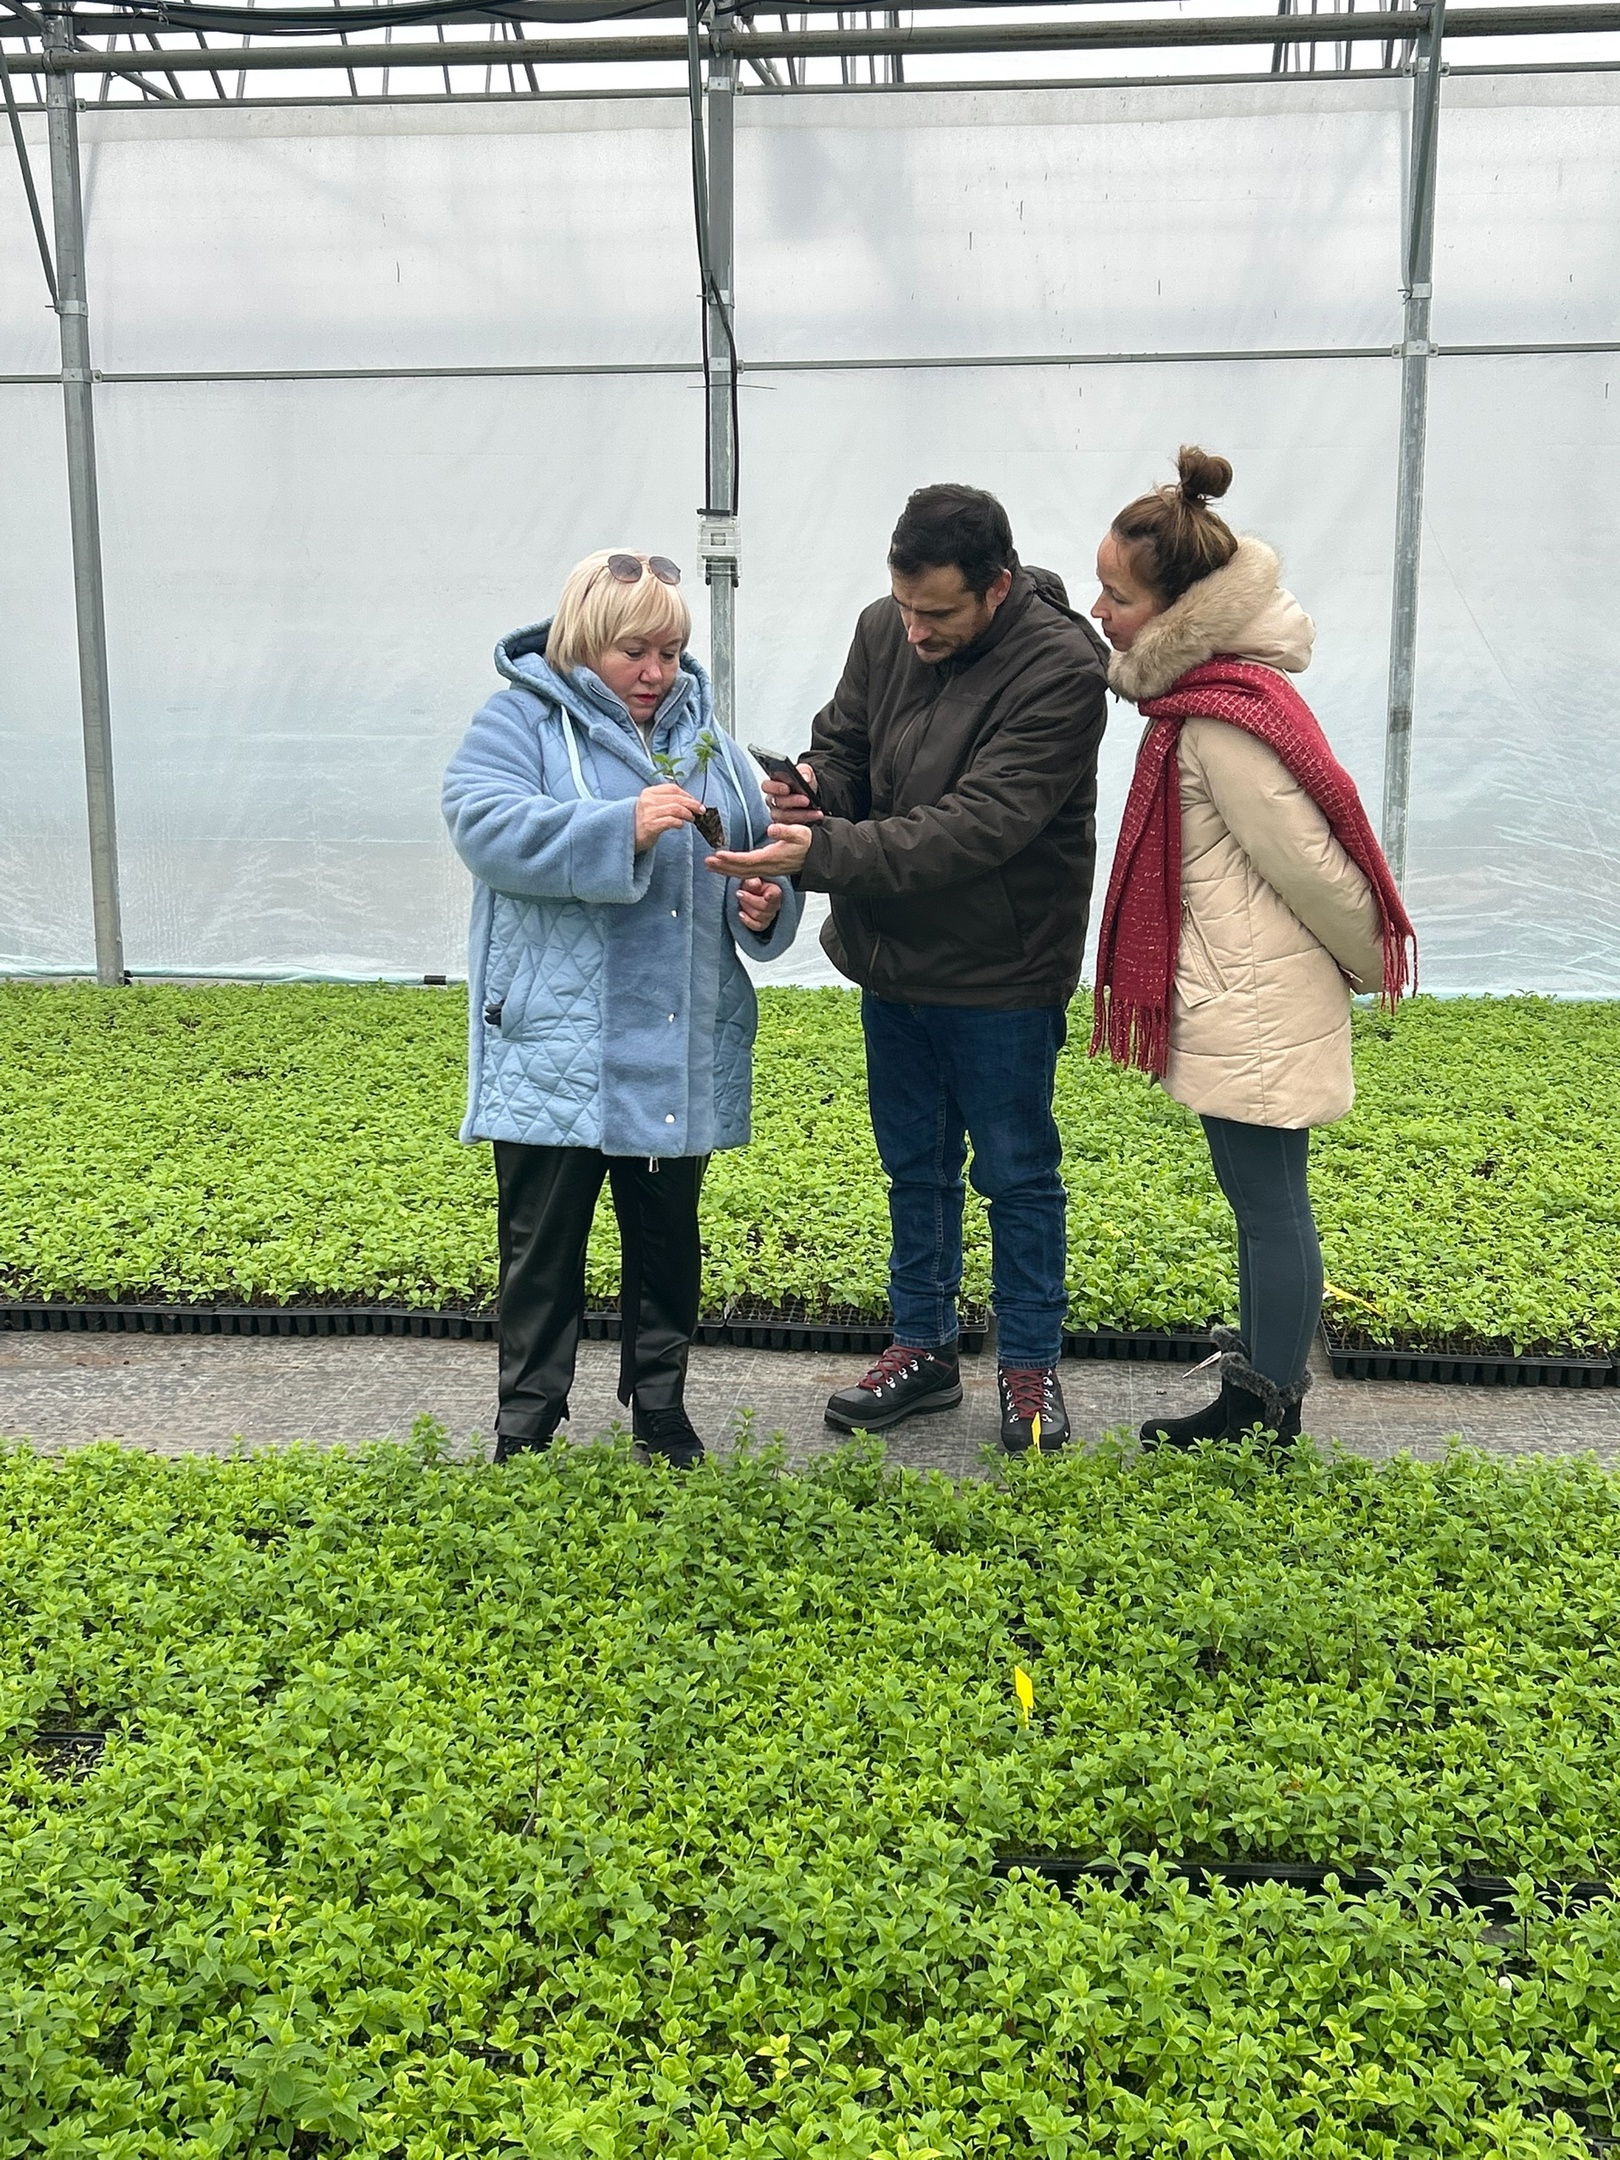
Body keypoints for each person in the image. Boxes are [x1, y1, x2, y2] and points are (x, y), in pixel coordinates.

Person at [707, 484, 1109, 1454]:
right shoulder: (883, 629)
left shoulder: (1060, 670)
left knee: (1016, 1172)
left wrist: (822, 850)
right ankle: (923, 1348)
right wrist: (814, 785)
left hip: (1000, 971)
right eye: (904, 606)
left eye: (936, 613)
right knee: (914, 1168)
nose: (914, 629)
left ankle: (1028, 1368)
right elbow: (846, 747)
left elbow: (979, 826)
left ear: (997, 587)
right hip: (893, 959)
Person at [441, 549, 800, 1469]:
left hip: (675, 1038)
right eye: (634, 652)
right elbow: (480, 823)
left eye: (670, 653)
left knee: (667, 1238)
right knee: (542, 1246)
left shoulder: (707, 738)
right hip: (557, 1040)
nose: (656, 673)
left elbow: (750, 848)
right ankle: (527, 1419)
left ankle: (661, 1407)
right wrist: (618, 826)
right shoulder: (521, 719)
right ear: (582, 641)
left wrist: (764, 903)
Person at [1089, 448, 1415, 1452]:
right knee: (1261, 1204)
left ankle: (1267, 1412)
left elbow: (1313, 866)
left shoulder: (1220, 724)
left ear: (1181, 612)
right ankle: (1258, 1393)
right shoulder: (1211, 700)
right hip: (1241, 989)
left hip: (1257, 999)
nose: (1102, 613)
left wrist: (1373, 962)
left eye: (1118, 597)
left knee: (1272, 1208)